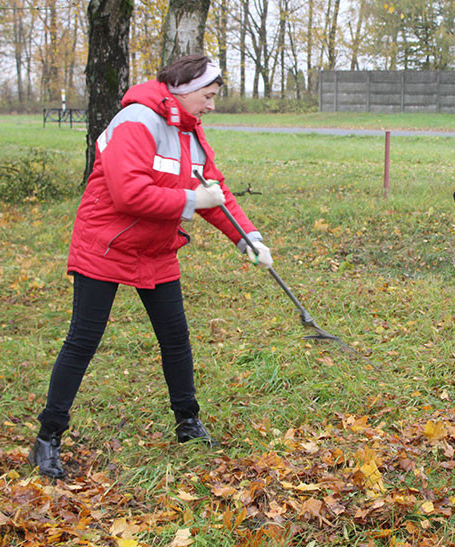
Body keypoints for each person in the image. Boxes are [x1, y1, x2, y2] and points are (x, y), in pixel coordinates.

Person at [28, 54, 273, 479]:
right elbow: (128, 193)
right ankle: (47, 438)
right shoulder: (136, 121)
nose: (212, 105)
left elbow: (216, 191)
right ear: (184, 90)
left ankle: (188, 422)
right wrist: (193, 200)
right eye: (207, 96)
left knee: (175, 337)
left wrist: (247, 237)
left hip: (156, 249)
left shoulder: (190, 131)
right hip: (106, 244)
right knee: (83, 340)